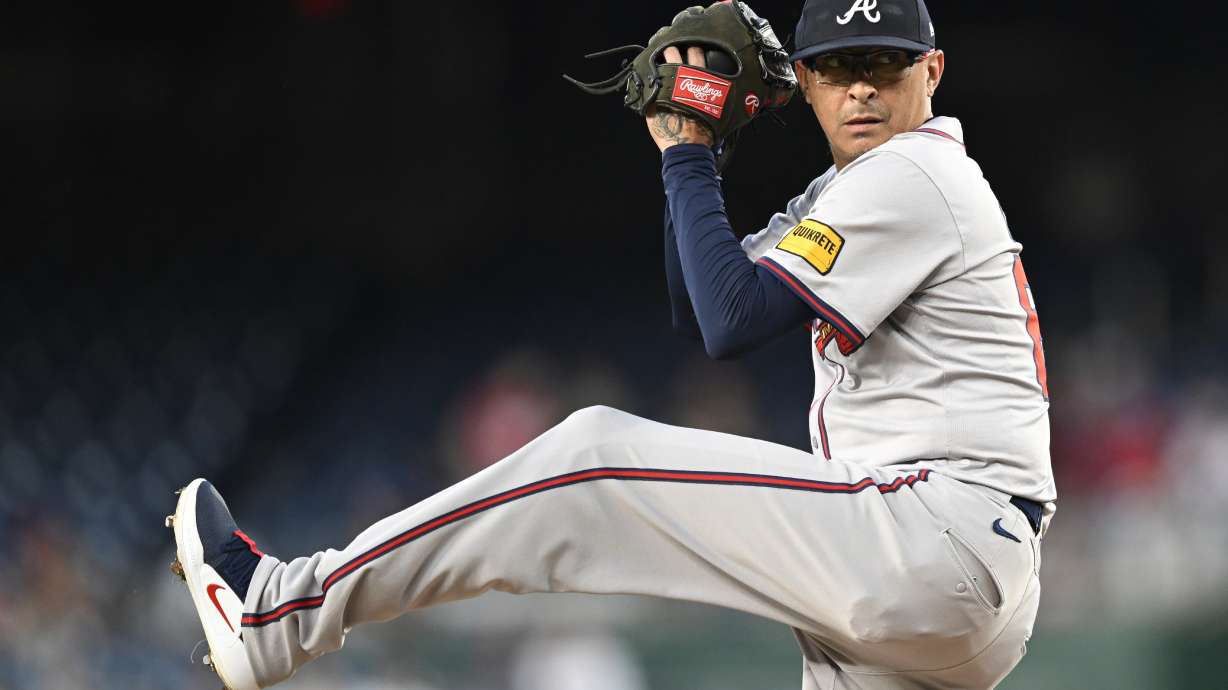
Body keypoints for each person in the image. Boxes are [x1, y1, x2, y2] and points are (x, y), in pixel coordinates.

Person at [166, 1, 1056, 688]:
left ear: (932, 71)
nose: (860, 89)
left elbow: (731, 322)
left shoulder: (914, 170)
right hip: (954, 585)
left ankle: (279, 613)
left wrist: (692, 154)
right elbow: (697, 305)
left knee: (593, 455)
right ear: (806, 84)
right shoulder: (858, 190)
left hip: (933, 535)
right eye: (836, 67)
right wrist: (685, 148)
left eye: (883, 65)